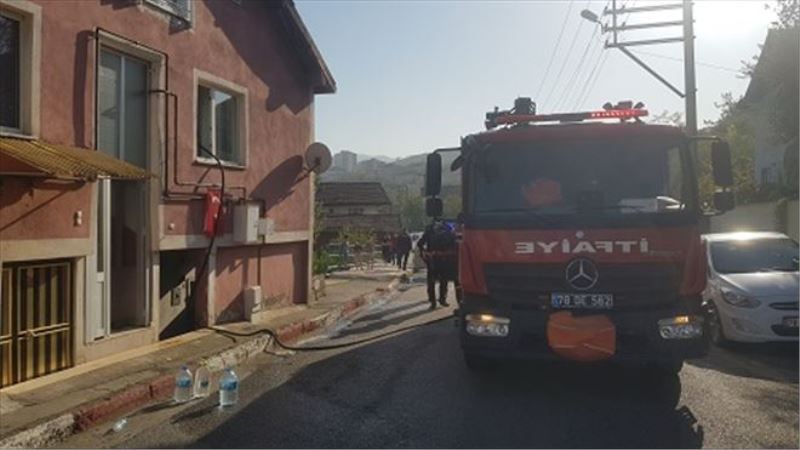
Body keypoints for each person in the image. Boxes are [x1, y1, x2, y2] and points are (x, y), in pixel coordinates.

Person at [417, 219, 460, 310]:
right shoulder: (430, 231)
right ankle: (434, 301)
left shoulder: (448, 231)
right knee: (433, 282)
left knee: (443, 281)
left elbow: (455, 245)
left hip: (443, 260)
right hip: (434, 261)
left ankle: (441, 299)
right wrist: (424, 254)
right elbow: (420, 243)